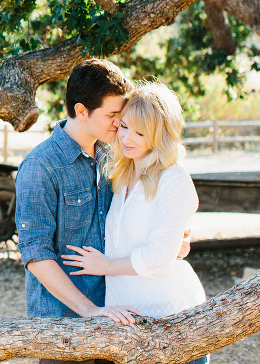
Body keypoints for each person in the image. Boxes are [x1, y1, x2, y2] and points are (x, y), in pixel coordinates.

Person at [61, 83, 208, 364]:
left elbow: (158, 258)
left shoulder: (174, 179)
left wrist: (105, 266)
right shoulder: (120, 177)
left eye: (141, 132)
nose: (128, 138)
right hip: (128, 318)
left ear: (159, 135)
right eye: (125, 126)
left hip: (173, 318)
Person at [14, 58, 137, 364]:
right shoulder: (40, 166)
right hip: (62, 328)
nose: (118, 124)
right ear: (81, 111)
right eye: (111, 115)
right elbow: (35, 254)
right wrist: (90, 310)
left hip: (115, 314)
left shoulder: (114, 156)